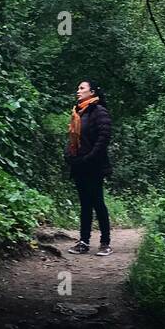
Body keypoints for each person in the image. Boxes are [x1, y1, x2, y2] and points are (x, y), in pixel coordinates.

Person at [64, 80, 112, 255]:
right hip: (79, 165)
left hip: (94, 165)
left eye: (82, 88)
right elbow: (72, 138)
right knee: (85, 204)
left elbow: (104, 137)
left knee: (97, 202)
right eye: (78, 88)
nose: (78, 91)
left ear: (92, 92)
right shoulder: (78, 112)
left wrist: (90, 157)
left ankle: (105, 242)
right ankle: (83, 241)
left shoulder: (99, 111)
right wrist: (69, 155)